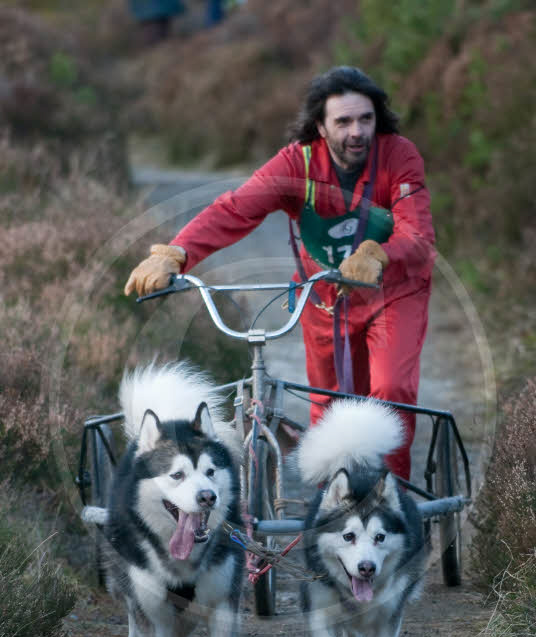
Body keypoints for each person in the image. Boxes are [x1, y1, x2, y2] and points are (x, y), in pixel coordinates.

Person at [124, 66, 435, 480]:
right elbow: (235, 209)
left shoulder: (398, 155)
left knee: (391, 393)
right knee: (329, 408)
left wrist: (380, 253)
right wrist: (176, 254)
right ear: (320, 128)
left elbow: (418, 234)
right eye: (342, 121)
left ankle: (393, 497)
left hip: (393, 293)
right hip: (324, 300)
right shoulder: (297, 163)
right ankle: (333, 501)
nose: (357, 131)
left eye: (366, 119)